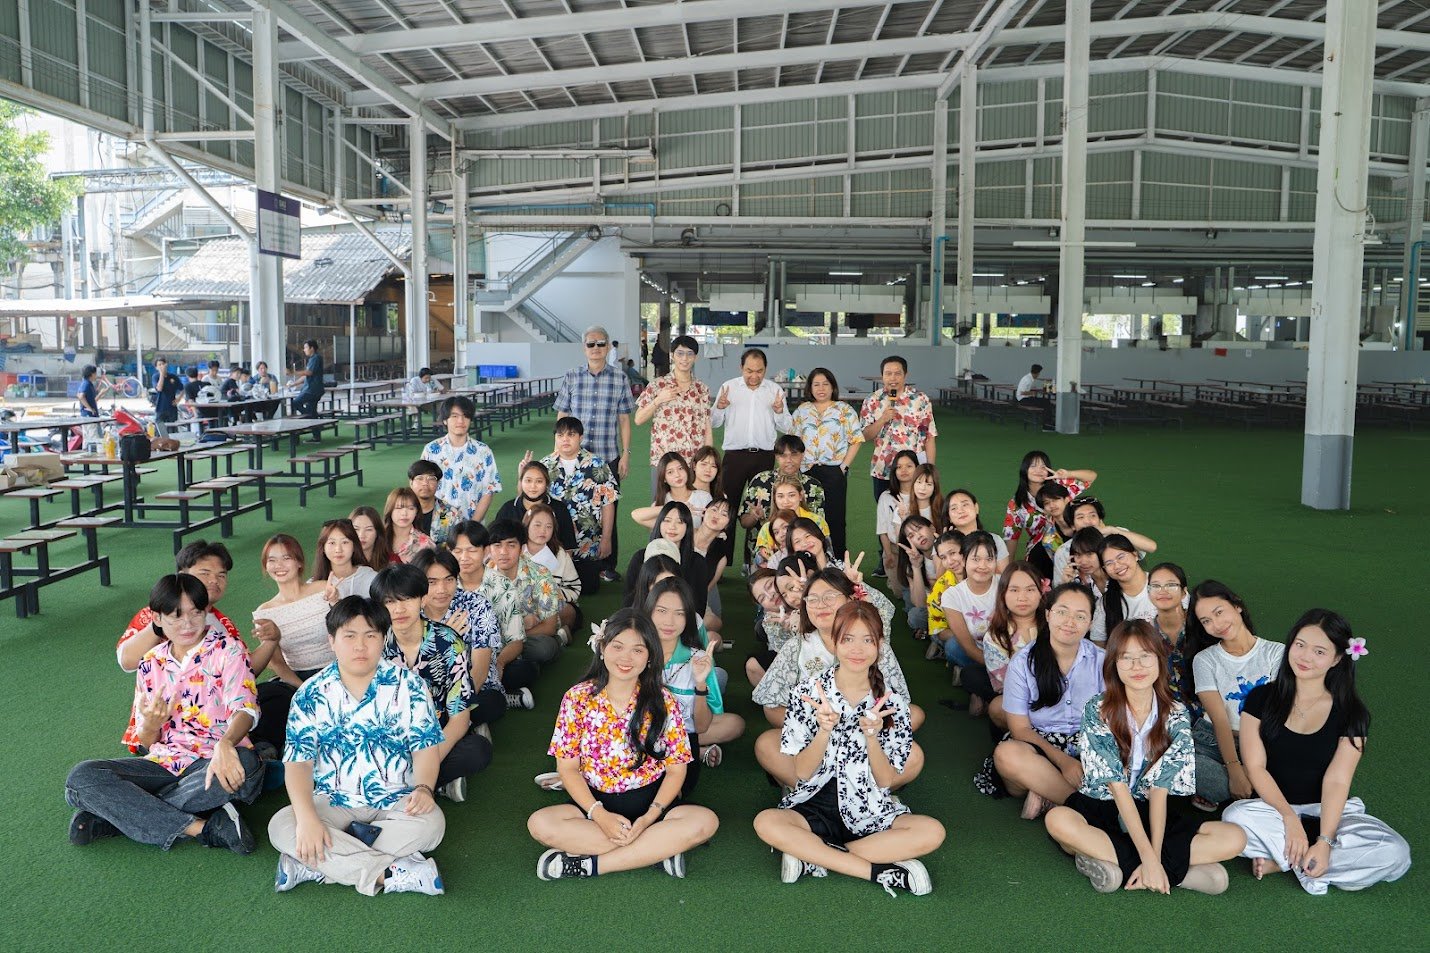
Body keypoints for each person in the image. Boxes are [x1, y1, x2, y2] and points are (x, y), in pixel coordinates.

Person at [753, 601, 944, 896]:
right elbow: (802, 772)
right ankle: (875, 871)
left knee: (932, 832)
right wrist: (823, 731)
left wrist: (872, 738)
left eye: (868, 640)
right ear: (834, 642)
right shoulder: (807, 693)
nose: (857, 649)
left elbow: (886, 781)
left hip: (869, 807)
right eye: (848, 639)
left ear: (880, 645)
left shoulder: (892, 703)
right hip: (815, 804)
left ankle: (814, 855)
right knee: (766, 822)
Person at [1044, 620, 1246, 894]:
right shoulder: (1097, 709)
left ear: (1159, 660)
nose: (1136, 666)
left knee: (1234, 837)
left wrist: (1154, 855)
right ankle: (1175, 873)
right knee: (1058, 820)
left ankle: (1116, 864)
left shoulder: (1176, 713)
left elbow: (1160, 790)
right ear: (1114, 664)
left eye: (1145, 656)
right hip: (1104, 805)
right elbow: (1117, 788)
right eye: (1126, 658)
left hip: (1151, 810)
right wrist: (1150, 859)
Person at [66, 574, 263, 853]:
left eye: (196, 613)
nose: (188, 624)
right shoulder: (151, 662)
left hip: (213, 762)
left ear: (206, 611)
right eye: (176, 616)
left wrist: (226, 743)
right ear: (157, 618)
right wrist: (151, 725)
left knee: (247, 765)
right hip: (165, 763)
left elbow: (246, 708)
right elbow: (148, 742)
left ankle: (114, 817)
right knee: (81, 778)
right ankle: (201, 828)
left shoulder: (229, 650)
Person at [268, 596, 448, 896]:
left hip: (396, 799)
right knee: (281, 825)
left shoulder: (410, 686)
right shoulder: (310, 693)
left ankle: (316, 863)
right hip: (333, 800)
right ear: (332, 641)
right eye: (349, 636)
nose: (360, 646)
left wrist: (424, 788)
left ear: (384, 639)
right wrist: (309, 819)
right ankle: (389, 874)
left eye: (370, 636)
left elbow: (425, 747)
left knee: (432, 825)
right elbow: (299, 763)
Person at [1224, 609, 1411, 894]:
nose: (1305, 657)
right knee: (1235, 818)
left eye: (1319, 651)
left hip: (1329, 812)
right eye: (1300, 645)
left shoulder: (1352, 713)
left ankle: (1291, 860)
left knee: (1396, 853)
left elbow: (1337, 781)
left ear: (1337, 659)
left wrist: (1325, 840)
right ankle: (1309, 861)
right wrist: (1289, 818)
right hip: (1272, 810)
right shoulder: (1261, 697)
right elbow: (1255, 767)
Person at [526, 608, 719, 880]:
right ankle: (656, 850)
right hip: (594, 805)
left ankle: (591, 865)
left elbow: (677, 771)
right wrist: (599, 816)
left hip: (652, 805)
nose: (626, 658)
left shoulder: (664, 701)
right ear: (602, 648)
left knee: (705, 821)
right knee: (540, 824)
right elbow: (567, 769)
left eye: (638, 650)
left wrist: (649, 818)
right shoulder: (576, 698)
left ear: (650, 657)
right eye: (617, 646)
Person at [977, 583, 1106, 817]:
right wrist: (1063, 762)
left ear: (1090, 623)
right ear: (1047, 615)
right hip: (1040, 741)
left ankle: (1046, 790)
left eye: (1080, 616)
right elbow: (1020, 729)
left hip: (1089, 743)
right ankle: (1084, 807)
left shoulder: (1102, 661)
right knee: (1007, 754)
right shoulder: (1023, 662)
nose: (1069, 622)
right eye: (1062, 612)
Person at [371, 563, 491, 803]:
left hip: (437, 734)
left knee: (478, 750)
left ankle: (412, 783)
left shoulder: (448, 642)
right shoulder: (373, 644)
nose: (399, 609)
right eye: (390, 602)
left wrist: (426, 762)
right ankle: (436, 785)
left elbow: (459, 718)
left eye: (407, 599)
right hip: (392, 736)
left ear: (423, 599)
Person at [115, 541, 241, 751]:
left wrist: (271, 642)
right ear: (182, 575)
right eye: (205, 573)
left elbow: (244, 673)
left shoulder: (223, 623)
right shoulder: (155, 613)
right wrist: (163, 622)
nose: (214, 580)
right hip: (159, 735)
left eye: (221, 575)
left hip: (213, 730)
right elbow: (127, 661)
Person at [1187, 580, 1285, 810]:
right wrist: (1234, 769)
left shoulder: (1276, 652)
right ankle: (1227, 788)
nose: (1216, 624)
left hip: (1261, 743)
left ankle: (1232, 790)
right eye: (1206, 621)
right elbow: (1220, 719)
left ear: (1237, 605)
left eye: (1219, 612)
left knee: (1288, 772)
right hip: (1211, 740)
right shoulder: (1204, 660)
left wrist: (1250, 768)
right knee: (1215, 782)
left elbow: (1276, 712)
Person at [645, 576, 745, 772]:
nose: (669, 621)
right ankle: (693, 751)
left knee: (735, 724)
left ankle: (677, 750)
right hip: (639, 730)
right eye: (662, 611)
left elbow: (701, 726)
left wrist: (700, 684)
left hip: (682, 730)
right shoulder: (636, 651)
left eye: (679, 613)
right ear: (649, 611)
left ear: (689, 618)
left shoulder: (697, 659)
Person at [249, 535, 334, 757]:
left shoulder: (324, 590)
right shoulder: (264, 612)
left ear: (299, 562)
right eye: (272, 560)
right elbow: (277, 663)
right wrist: (302, 687)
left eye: (286, 558)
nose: (279, 565)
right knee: (266, 697)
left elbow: (347, 631)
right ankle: (269, 753)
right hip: (295, 678)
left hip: (336, 671)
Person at [553, 326, 633, 554]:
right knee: (570, 510)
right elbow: (563, 415)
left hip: (608, 458)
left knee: (609, 513)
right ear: (584, 348)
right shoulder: (572, 376)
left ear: (607, 347)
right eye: (591, 344)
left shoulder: (620, 378)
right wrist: (557, 450)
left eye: (600, 343)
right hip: (574, 458)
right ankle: (570, 559)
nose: (596, 348)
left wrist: (625, 454)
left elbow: (624, 419)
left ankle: (607, 563)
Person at [411, 547, 506, 734]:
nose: (442, 590)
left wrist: (455, 707)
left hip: (476, 688)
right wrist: (444, 638)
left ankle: (460, 726)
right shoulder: (410, 611)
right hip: (427, 693)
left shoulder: (476, 606)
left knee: (491, 702)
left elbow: (480, 669)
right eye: (432, 582)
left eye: (449, 580)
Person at [713, 348, 792, 566]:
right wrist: (719, 407)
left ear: (765, 369)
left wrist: (778, 411)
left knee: (761, 508)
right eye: (749, 371)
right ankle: (722, 560)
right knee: (726, 507)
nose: (754, 376)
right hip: (734, 457)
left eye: (759, 371)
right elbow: (713, 422)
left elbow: (787, 426)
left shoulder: (774, 390)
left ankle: (757, 562)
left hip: (764, 457)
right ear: (741, 368)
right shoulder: (728, 387)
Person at [447, 520, 536, 712]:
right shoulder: (443, 586)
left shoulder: (503, 587)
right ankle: (502, 697)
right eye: (458, 551)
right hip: (453, 659)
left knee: (523, 670)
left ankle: (490, 696)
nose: (464, 558)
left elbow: (516, 641)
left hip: (494, 659)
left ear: (485, 551)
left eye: (471, 550)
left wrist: (499, 664)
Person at [859, 356, 937, 573]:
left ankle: (919, 557)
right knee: (886, 516)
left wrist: (929, 469)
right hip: (883, 469)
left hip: (915, 471)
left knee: (917, 514)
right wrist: (882, 419)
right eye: (888, 373)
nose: (893, 378)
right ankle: (887, 557)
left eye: (897, 373)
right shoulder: (873, 400)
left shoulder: (920, 399)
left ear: (905, 375)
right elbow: (864, 435)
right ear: (881, 375)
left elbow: (930, 436)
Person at [791, 367, 863, 556]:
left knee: (835, 517)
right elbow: (794, 441)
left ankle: (837, 558)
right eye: (816, 384)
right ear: (810, 388)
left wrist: (843, 467)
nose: (821, 388)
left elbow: (856, 439)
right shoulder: (802, 411)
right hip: (806, 471)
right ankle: (808, 557)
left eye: (825, 384)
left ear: (833, 387)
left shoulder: (844, 410)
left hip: (834, 471)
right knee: (807, 516)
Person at [542, 415, 620, 587]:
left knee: (589, 587)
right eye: (560, 435)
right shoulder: (545, 465)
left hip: (587, 544)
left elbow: (608, 503)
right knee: (554, 586)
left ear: (581, 437)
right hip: (555, 542)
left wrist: (607, 539)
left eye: (571, 435)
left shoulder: (598, 464)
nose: (565, 439)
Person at [480, 519, 564, 670]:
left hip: (532, 636)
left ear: (522, 548)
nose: (503, 552)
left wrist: (514, 636)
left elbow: (549, 626)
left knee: (544, 649)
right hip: (498, 636)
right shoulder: (483, 576)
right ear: (488, 549)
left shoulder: (540, 574)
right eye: (497, 545)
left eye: (511, 545)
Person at [633, 334, 712, 494]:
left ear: (695, 357)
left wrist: (708, 459)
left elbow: (707, 426)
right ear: (672, 355)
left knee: (694, 506)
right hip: (664, 460)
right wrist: (658, 400)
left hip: (693, 461)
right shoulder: (657, 385)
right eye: (680, 353)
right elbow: (638, 419)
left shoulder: (702, 389)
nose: (685, 358)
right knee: (662, 506)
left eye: (689, 354)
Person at [1002, 451, 1096, 580]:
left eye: (1043, 467)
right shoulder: (1017, 503)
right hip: (1039, 548)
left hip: (1069, 537)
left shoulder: (1060, 485)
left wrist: (1068, 474)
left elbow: (1091, 476)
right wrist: (1008, 571)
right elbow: (1012, 537)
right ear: (1025, 470)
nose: (1038, 470)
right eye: (1033, 466)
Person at [737, 434, 826, 570]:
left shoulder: (813, 486)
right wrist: (754, 516)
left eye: (794, 454)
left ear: (802, 455)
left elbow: (818, 529)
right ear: (776, 457)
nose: (789, 460)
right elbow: (744, 522)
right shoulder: (760, 481)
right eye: (783, 455)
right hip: (764, 555)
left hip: (804, 552)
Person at [981, 562, 1046, 730]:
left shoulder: (1056, 624)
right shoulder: (995, 637)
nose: (1022, 597)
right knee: (998, 706)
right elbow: (1008, 684)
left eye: (1030, 589)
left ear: (1041, 592)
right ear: (1003, 594)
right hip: (1024, 700)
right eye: (1014, 590)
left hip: (1064, 695)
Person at [937, 531, 1003, 694]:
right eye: (976, 559)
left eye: (989, 559)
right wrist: (1001, 669)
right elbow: (969, 648)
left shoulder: (1006, 583)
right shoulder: (952, 596)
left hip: (1009, 650)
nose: (983, 566)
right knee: (953, 647)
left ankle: (979, 689)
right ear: (964, 559)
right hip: (979, 653)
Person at [422, 395, 501, 524]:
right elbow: (423, 487)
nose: (461, 421)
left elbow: (489, 490)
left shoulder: (483, 451)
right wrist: (442, 525)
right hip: (439, 522)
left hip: (472, 524)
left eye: (465, 416)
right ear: (445, 420)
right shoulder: (431, 450)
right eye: (454, 416)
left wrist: (473, 525)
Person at [623, 503, 710, 616]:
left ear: (687, 527)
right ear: (659, 523)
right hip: (643, 619)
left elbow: (699, 606)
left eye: (680, 522)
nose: (672, 527)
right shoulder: (640, 558)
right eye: (667, 520)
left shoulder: (697, 562)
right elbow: (628, 600)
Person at [1050, 495, 1157, 585]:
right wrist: (1066, 583)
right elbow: (1059, 590)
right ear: (1072, 525)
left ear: (1099, 519)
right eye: (1080, 517)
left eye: (1092, 515)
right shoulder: (1063, 552)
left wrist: (1113, 530)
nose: (1088, 521)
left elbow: (1151, 547)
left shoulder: (1115, 534)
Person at [494, 458, 579, 556]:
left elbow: (568, 548)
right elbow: (496, 543)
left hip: (553, 564)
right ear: (521, 481)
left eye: (539, 481)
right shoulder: (508, 509)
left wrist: (561, 565)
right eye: (528, 480)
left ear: (546, 483)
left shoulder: (559, 509)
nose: (533, 486)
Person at [522, 503, 582, 632]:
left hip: (551, 605)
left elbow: (574, 588)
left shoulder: (559, 554)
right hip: (521, 605)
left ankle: (543, 633)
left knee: (568, 612)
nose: (543, 531)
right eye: (537, 525)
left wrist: (551, 596)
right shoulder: (516, 551)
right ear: (526, 526)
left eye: (548, 527)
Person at [631, 451, 711, 528]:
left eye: (680, 468)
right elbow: (636, 515)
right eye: (670, 472)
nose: (677, 475)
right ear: (664, 478)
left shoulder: (704, 497)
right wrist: (674, 508)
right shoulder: (660, 503)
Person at [874, 451, 920, 586]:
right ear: (894, 471)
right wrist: (888, 554)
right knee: (899, 591)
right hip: (895, 549)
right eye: (899, 467)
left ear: (917, 468)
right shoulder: (886, 497)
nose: (904, 470)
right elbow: (882, 530)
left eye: (909, 466)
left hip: (919, 547)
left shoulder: (922, 494)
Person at [312, 518, 378, 603]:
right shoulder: (313, 586)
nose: (338, 549)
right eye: (332, 543)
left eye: (345, 542)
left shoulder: (371, 578)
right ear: (323, 548)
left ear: (354, 546)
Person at [946, 488, 1011, 571]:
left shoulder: (995, 540)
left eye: (965, 505)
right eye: (954, 508)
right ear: (949, 517)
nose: (960, 511)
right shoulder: (943, 544)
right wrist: (946, 546)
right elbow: (938, 576)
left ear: (976, 508)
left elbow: (1003, 576)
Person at [407, 459, 458, 545]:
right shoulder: (402, 511)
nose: (425, 483)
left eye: (431, 479)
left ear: (438, 483)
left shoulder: (450, 513)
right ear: (411, 483)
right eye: (420, 478)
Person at [384, 486, 433, 563]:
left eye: (411, 508)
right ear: (390, 510)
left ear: (417, 512)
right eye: (399, 508)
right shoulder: (378, 537)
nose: (404, 513)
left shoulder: (426, 544)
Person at [290, 339, 325, 417]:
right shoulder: (312, 359)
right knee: (312, 410)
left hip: (312, 390)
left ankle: (308, 415)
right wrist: (294, 384)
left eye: (306, 347)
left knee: (295, 403)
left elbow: (309, 372)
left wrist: (293, 372)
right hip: (313, 390)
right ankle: (312, 419)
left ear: (312, 348)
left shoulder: (315, 358)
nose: (304, 350)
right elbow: (306, 376)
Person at [149, 357, 183, 438]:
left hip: (172, 408)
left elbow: (182, 389)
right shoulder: (155, 377)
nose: (161, 366)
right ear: (156, 367)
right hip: (160, 408)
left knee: (172, 431)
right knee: (160, 430)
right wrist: (161, 375)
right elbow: (159, 388)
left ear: (166, 364)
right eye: (159, 365)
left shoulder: (173, 377)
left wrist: (178, 399)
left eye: (163, 364)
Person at [1015, 363, 1054, 431]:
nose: (1039, 375)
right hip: (1023, 400)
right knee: (1046, 402)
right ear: (1037, 373)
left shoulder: (1028, 377)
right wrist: (1033, 393)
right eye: (1039, 373)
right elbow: (1022, 392)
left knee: (1045, 401)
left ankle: (1048, 423)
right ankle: (1047, 426)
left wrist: (1033, 392)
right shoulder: (1028, 379)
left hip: (1025, 399)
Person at [77, 364, 100, 449]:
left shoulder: (87, 384)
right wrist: (90, 409)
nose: (96, 376)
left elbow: (92, 400)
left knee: (87, 438)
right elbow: (80, 396)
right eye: (95, 373)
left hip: (87, 415)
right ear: (91, 374)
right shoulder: (86, 384)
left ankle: (86, 452)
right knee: (93, 437)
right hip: (89, 416)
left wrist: (101, 394)